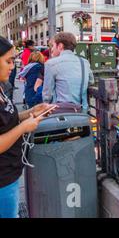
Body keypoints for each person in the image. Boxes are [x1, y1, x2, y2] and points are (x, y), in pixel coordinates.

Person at [0, 36, 55, 218]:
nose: (12, 67)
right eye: (8, 61)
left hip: (11, 172)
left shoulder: (1, 88)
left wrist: (32, 111)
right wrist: (24, 127)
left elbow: (9, 119)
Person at [42, 32, 94, 113]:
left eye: (53, 46)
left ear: (60, 46)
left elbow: (47, 95)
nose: (51, 49)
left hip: (59, 112)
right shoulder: (84, 62)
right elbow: (91, 81)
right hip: (81, 110)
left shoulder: (51, 64)